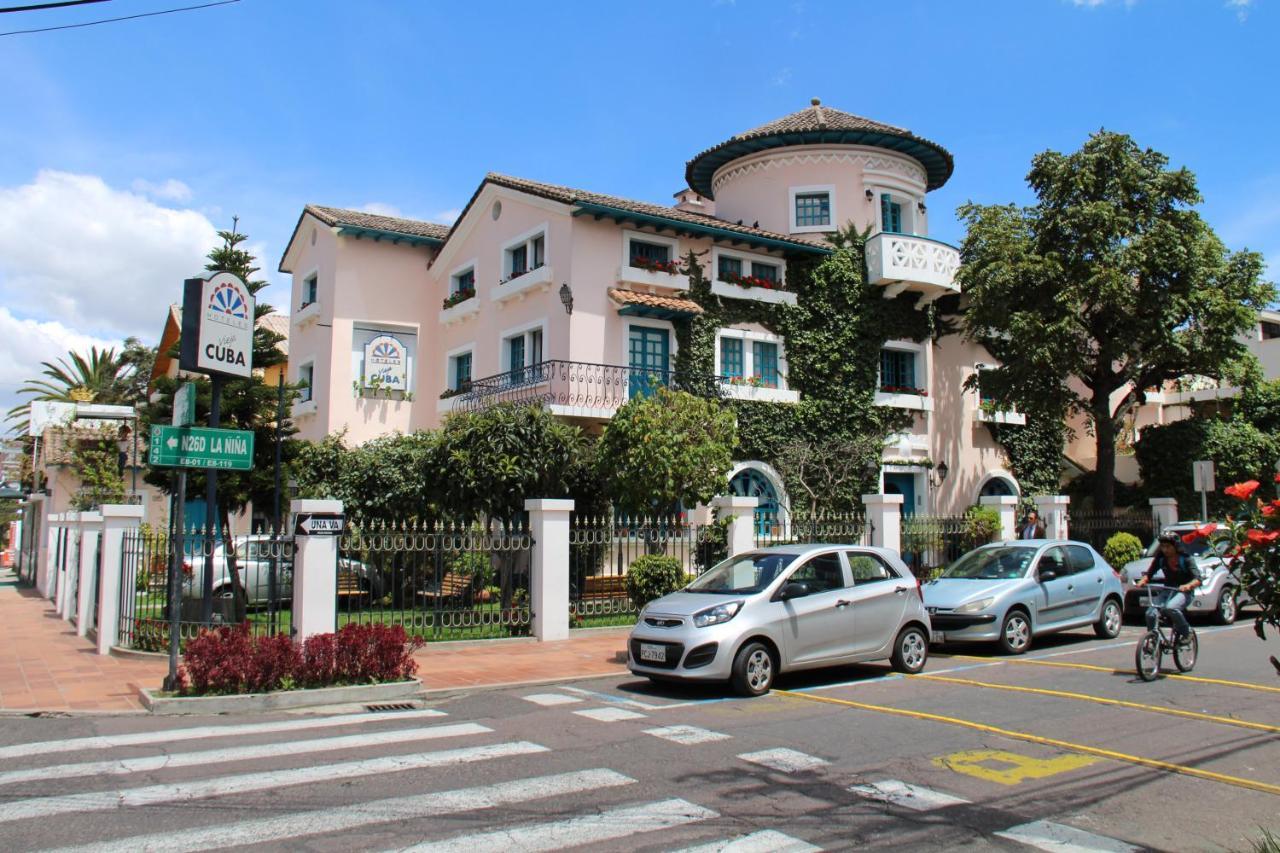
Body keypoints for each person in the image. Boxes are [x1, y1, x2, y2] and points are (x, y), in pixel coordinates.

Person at [1135, 533, 1200, 641]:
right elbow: (1149, 574)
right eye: (1163, 546)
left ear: (1176, 546)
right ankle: (1154, 639)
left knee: (1171, 608)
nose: (1165, 550)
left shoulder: (1186, 559)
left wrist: (1188, 585)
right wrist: (1143, 581)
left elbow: (1198, 579)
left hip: (1184, 593)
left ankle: (1186, 632)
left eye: (1168, 547)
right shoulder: (1161, 559)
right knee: (1150, 614)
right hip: (1168, 591)